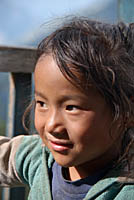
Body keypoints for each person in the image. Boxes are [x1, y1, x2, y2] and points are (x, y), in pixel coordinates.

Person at [1, 17, 134, 200]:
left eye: (71, 108)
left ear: (127, 113)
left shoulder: (125, 190)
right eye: (42, 103)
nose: (51, 125)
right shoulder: (39, 156)